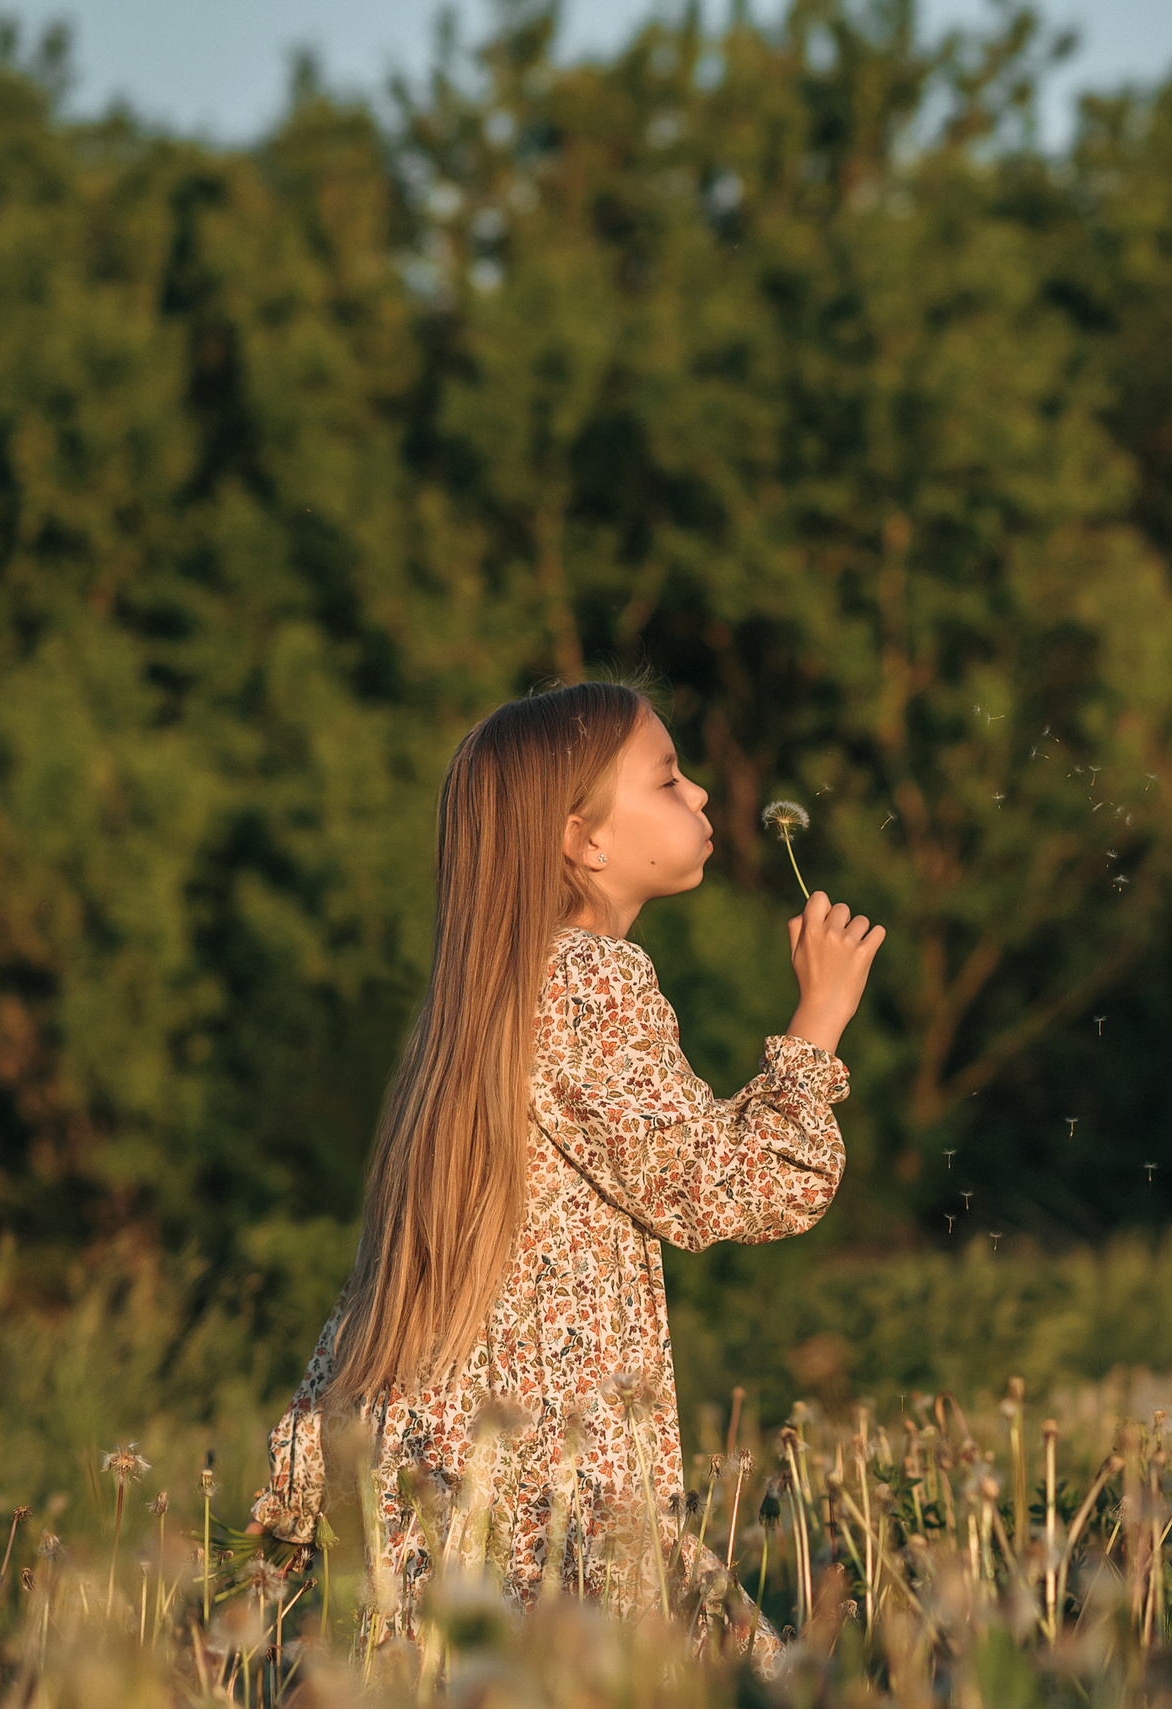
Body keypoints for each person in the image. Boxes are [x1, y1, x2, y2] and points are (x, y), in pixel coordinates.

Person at [250, 681, 884, 1663]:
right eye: (670, 778)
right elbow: (728, 1183)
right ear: (582, 838)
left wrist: (299, 1476)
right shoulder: (587, 986)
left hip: (451, 1483)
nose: (706, 794)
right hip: (548, 1496)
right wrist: (818, 1023)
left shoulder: (479, 1007)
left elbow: (388, 1278)